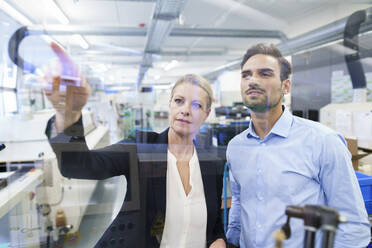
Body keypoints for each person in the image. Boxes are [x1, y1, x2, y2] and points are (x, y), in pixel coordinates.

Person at [44, 42, 226, 248]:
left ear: (206, 114)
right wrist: (67, 113)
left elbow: (214, 221)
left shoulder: (212, 163)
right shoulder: (142, 149)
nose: (185, 110)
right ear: (169, 105)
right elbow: (77, 164)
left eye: (196, 105)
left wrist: (218, 239)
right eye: (179, 101)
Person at [226, 43, 370, 248]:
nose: (253, 80)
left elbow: (352, 222)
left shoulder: (323, 141)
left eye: (265, 74)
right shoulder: (236, 147)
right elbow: (240, 204)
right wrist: (232, 240)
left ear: (286, 86)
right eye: (246, 75)